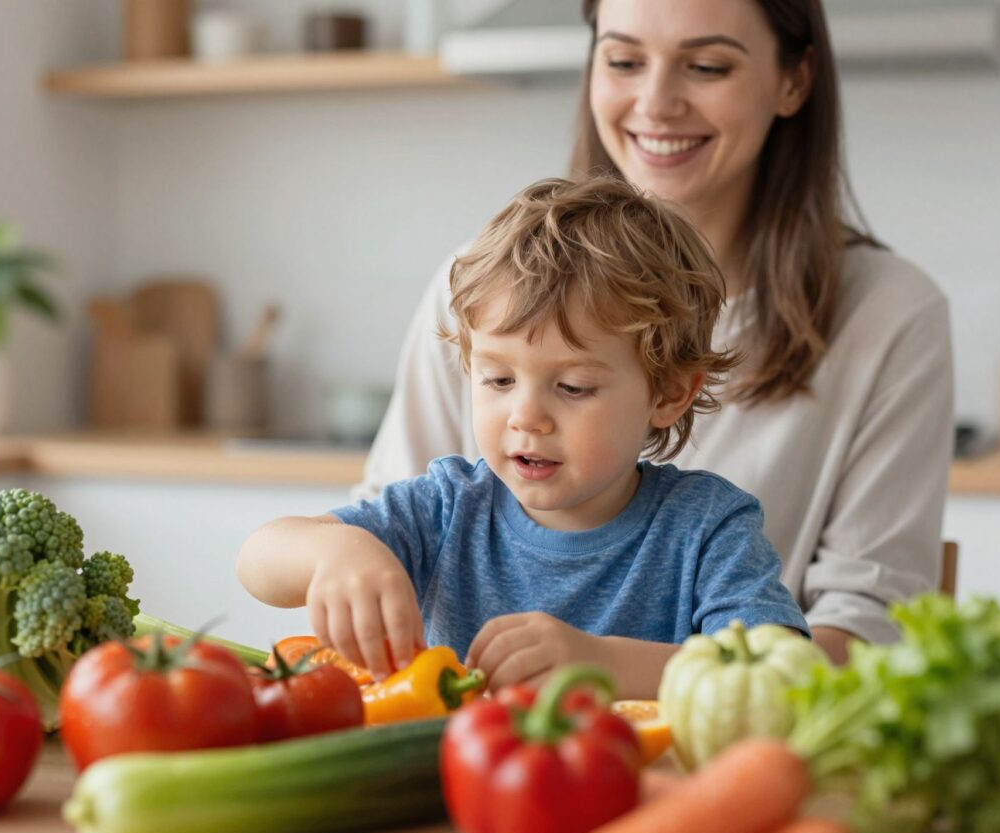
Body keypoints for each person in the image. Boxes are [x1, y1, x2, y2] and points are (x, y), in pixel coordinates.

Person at [359, 0, 953, 664]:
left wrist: (627, 669)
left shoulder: (892, 312)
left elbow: (865, 628)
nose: (657, 101)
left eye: (706, 65)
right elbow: (373, 543)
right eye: (623, 60)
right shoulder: (476, 287)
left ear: (794, 80)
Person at [237, 176, 810, 697]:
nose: (525, 416)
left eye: (573, 386)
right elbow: (257, 560)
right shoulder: (446, 508)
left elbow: (784, 673)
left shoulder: (708, 528)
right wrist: (336, 550)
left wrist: (604, 663)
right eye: (499, 379)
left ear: (667, 395)